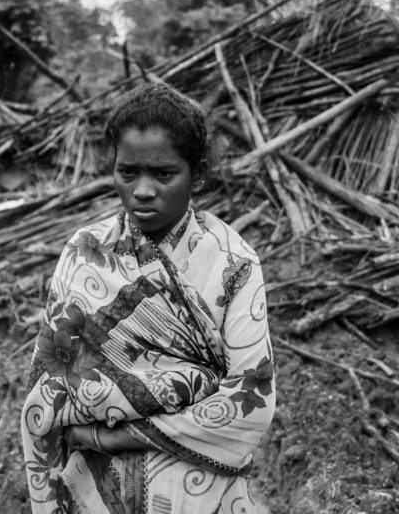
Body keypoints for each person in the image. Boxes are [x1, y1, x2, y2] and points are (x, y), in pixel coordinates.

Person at [21, 83, 275, 513]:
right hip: (97, 489)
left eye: (162, 174)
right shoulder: (84, 252)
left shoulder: (234, 264)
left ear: (197, 174)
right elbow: (48, 385)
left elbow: (251, 400)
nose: (142, 190)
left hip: (200, 491)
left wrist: (113, 434)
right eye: (128, 172)